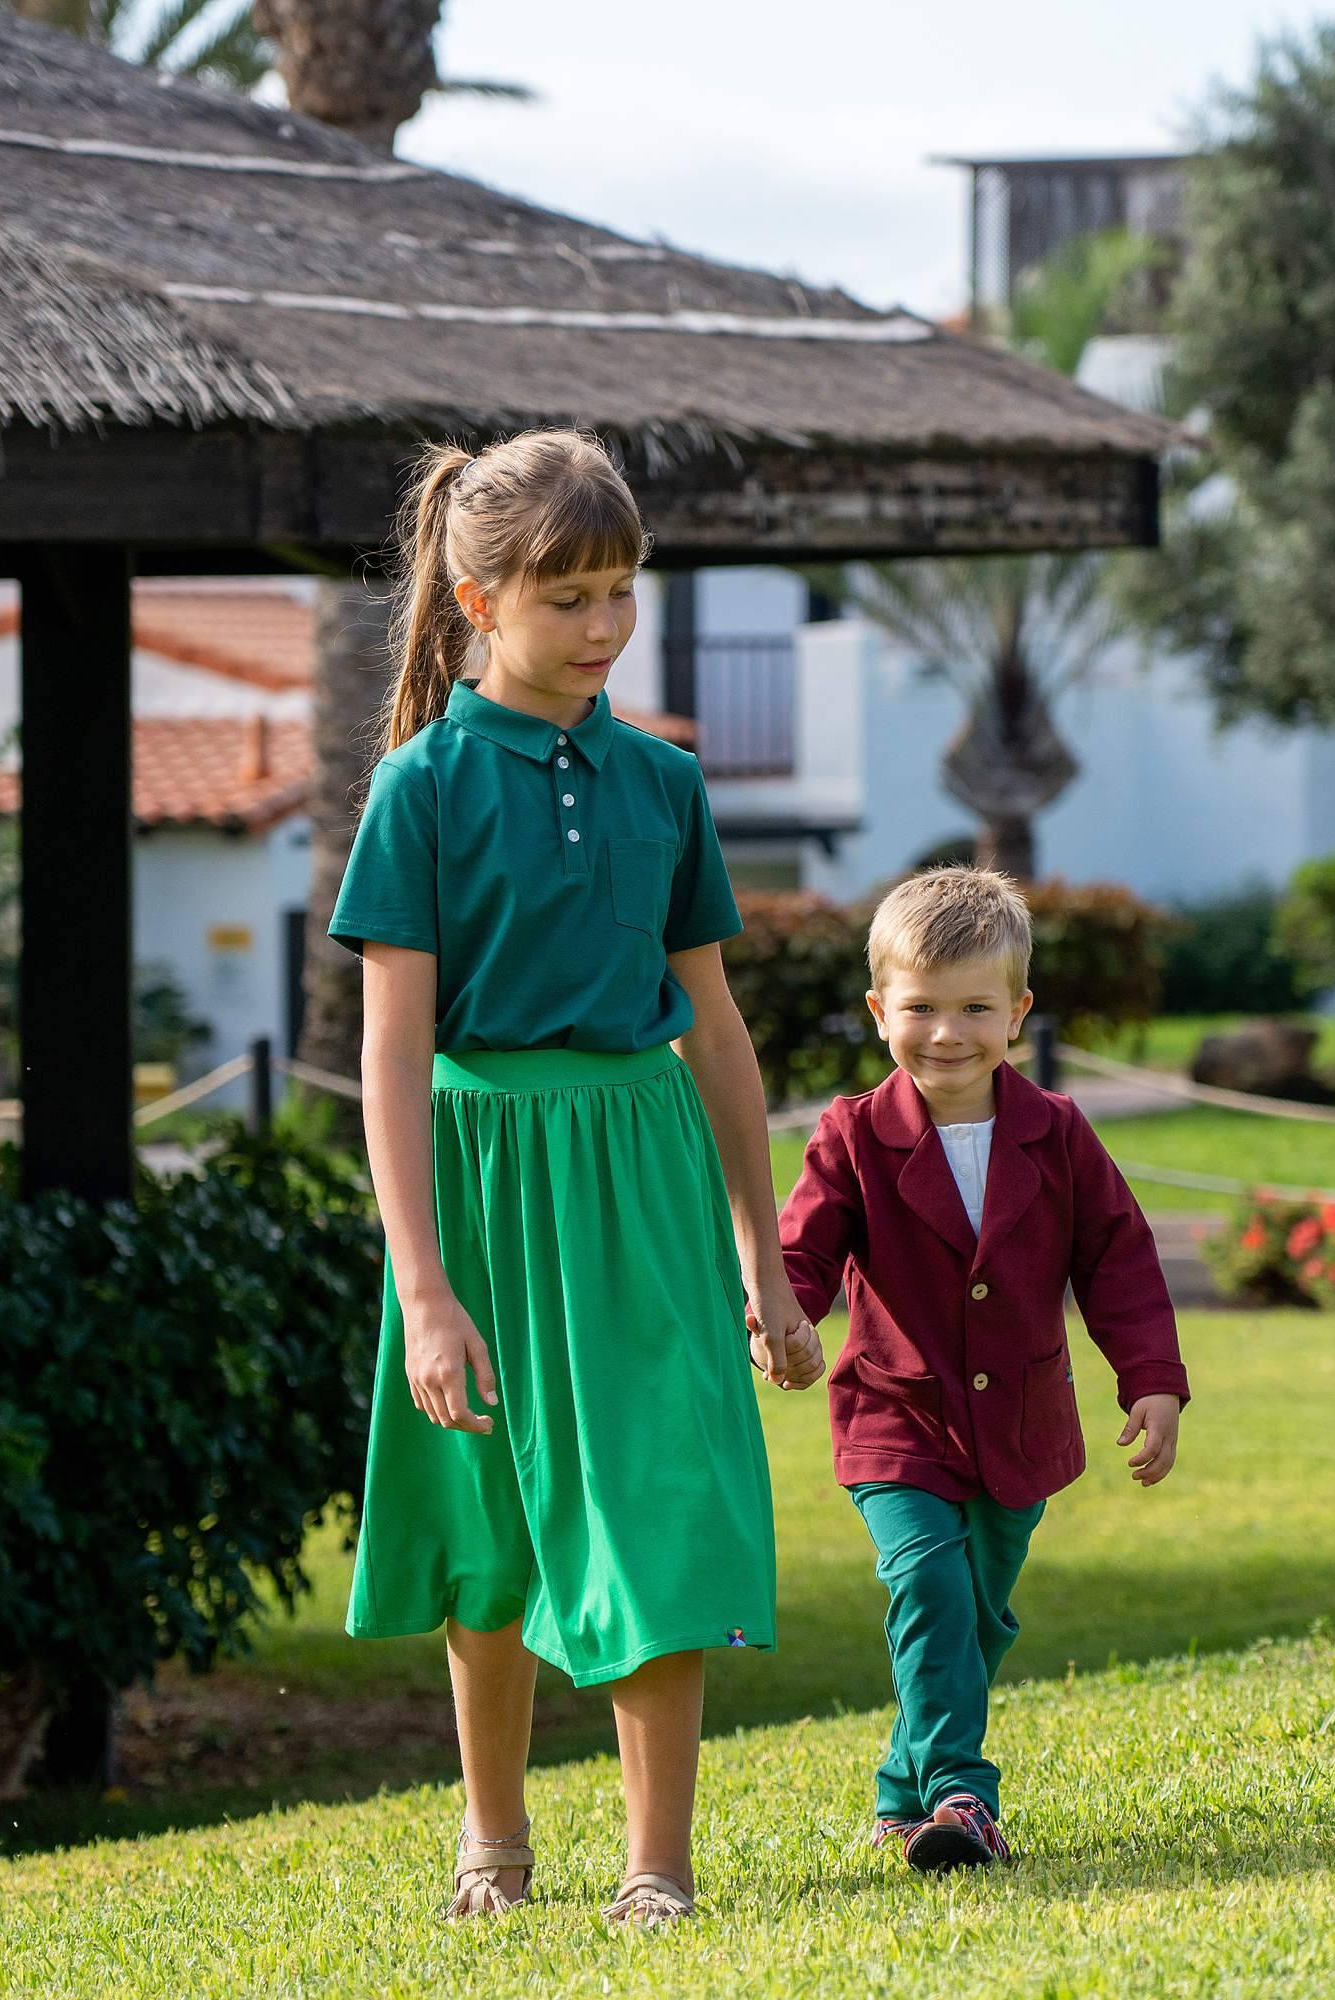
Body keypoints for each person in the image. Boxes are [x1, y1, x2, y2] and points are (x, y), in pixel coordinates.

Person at [326, 430, 823, 1930]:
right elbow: (394, 1056)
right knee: (491, 1523)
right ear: (480, 599)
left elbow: (717, 1030)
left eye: (622, 594)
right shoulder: (418, 789)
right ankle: (494, 1839)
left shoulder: (664, 784)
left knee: (657, 1503)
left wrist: (767, 1256)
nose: (604, 628)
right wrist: (424, 1289)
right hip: (479, 1182)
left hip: (641, 1172)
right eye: (569, 600)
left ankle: (655, 1865)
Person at [776, 866, 1189, 1871]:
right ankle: (962, 1795)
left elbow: (1117, 1258)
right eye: (920, 1007)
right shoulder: (851, 1134)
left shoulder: (1059, 1134)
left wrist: (1151, 1377)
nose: (946, 1032)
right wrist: (777, 1310)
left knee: (979, 1610)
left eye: (974, 1007)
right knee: (929, 1584)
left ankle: (895, 1787)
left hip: (1017, 1423)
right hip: (894, 1415)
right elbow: (802, 1249)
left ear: (1018, 1013)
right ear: (879, 1011)